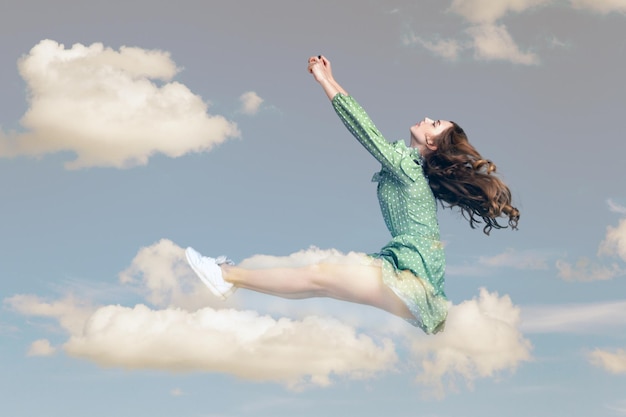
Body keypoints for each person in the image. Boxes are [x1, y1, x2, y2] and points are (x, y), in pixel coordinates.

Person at [185, 55, 519, 334]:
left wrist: (323, 80)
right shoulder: (407, 166)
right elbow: (367, 125)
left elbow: (362, 126)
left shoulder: (406, 167)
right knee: (320, 280)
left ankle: (227, 275)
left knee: (320, 277)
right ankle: (229, 276)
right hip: (407, 277)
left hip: (413, 282)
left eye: (435, 123)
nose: (427, 118)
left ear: (432, 144)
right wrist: (331, 77)